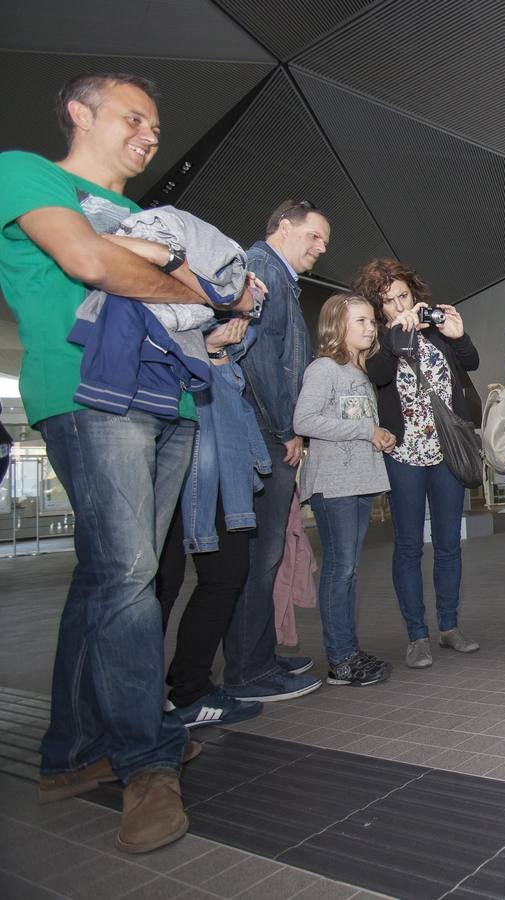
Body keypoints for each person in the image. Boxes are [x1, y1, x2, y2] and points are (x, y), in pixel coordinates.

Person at [0, 72, 254, 851]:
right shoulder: (26, 171)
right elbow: (89, 263)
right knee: (129, 576)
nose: (149, 133)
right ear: (79, 112)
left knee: (108, 574)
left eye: (154, 122)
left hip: (174, 400)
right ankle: (147, 761)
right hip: (88, 394)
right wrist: (197, 292)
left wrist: (205, 305)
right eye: (133, 117)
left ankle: (72, 753)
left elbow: (208, 306)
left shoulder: (151, 218)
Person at [224, 199, 331, 704]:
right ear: (283, 227)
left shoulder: (276, 277)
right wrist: (288, 430)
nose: (321, 248)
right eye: (314, 237)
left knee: (264, 555)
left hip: (266, 431)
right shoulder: (264, 269)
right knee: (260, 556)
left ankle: (259, 655)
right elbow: (262, 360)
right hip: (267, 434)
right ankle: (249, 670)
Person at [355, 259, 481, 669]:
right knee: (408, 547)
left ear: (415, 293)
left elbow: (471, 362)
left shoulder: (436, 329)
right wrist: (395, 333)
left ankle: (449, 626)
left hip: (447, 453)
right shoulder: (377, 340)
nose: (398, 305)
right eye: (388, 302)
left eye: (403, 297)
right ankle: (416, 635)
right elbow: (376, 376)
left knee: (448, 545)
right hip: (404, 456)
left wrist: (458, 336)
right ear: (379, 307)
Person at [155, 316, 265, 730]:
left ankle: (186, 686)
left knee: (217, 577)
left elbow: (243, 335)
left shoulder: (226, 355)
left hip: (211, 464)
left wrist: (216, 348)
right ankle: (169, 695)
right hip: (182, 451)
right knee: (164, 584)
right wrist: (209, 346)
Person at [293, 294, 394, 686]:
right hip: (334, 485)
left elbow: (354, 424)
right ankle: (340, 658)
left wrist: (377, 436)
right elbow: (305, 420)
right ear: (337, 326)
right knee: (341, 570)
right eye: (360, 322)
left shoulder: (359, 373)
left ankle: (347, 650)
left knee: (349, 571)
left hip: (359, 483)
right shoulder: (324, 369)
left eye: (372, 321)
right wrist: (365, 430)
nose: (370, 328)